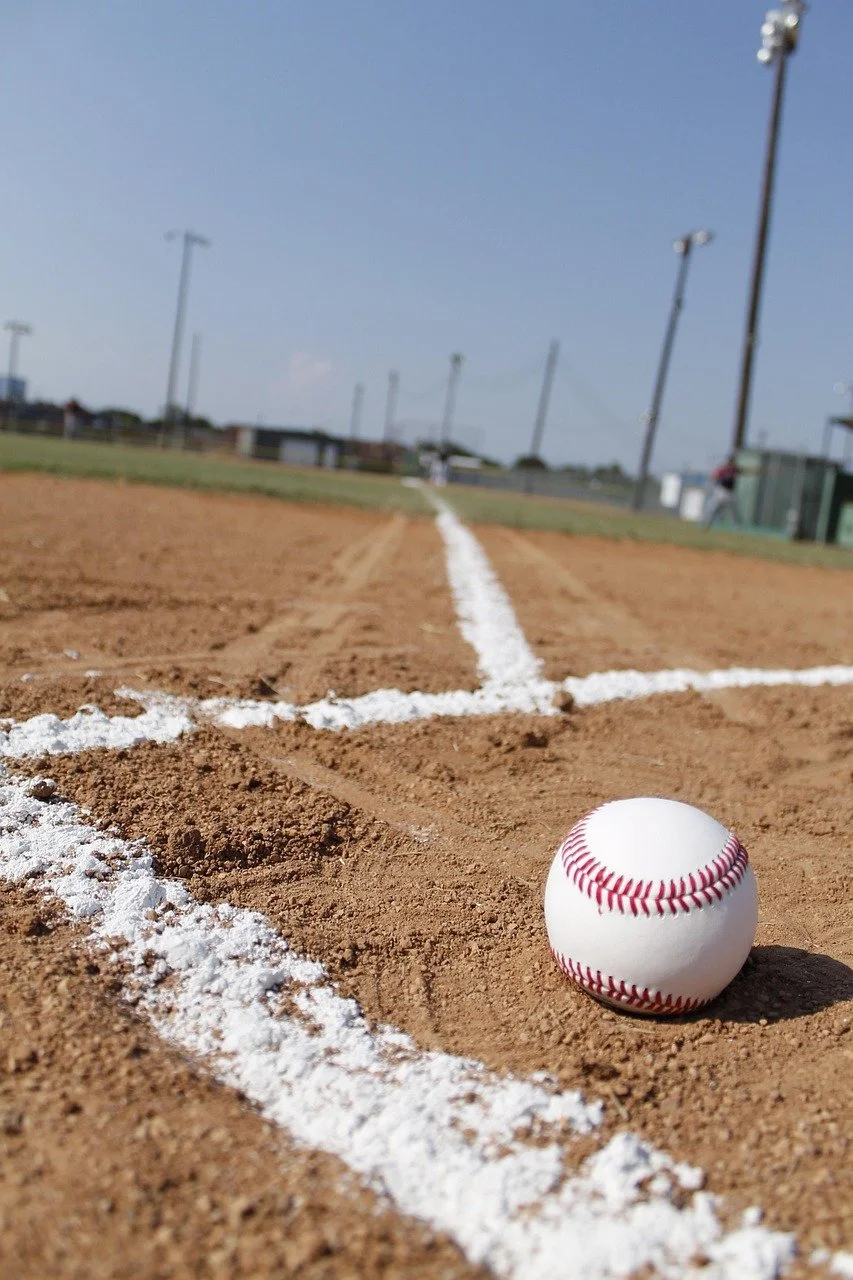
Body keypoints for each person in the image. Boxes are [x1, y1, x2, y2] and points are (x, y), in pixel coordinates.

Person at [704, 454, 741, 528]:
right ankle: (707, 523)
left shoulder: (734, 469)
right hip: (721, 491)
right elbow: (714, 476)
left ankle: (737, 526)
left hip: (730, 493)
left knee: (734, 510)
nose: (733, 462)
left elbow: (743, 471)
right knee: (714, 509)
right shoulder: (723, 469)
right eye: (731, 461)